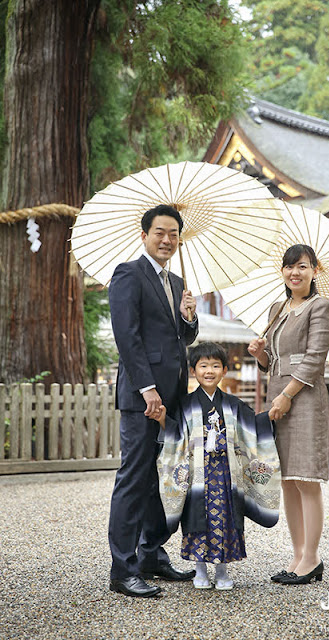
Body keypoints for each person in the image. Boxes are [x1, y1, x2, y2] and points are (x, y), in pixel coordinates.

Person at [108, 204, 199, 598]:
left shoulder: (177, 282)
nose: (167, 240)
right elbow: (127, 337)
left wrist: (189, 318)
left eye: (174, 234)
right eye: (160, 232)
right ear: (144, 234)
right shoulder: (128, 274)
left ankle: (150, 554)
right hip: (142, 396)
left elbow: (183, 340)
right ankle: (122, 569)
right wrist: (147, 390)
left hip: (176, 394)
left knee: (164, 481)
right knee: (134, 478)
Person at [156, 342, 281, 590]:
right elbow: (177, 435)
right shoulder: (186, 403)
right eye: (203, 366)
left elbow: (252, 428)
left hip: (225, 473)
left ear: (224, 370)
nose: (209, 371)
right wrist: (163, 420)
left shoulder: (233, 404)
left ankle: (222, 571)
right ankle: (200, 570)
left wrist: (268, 417)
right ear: (193, 371)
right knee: (196, 518)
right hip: (196, 475)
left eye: (215, 366)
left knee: (225, 518)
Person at [248, 244, 329, 585]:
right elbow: (274, 361)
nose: (294, 273)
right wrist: (260, 355)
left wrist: (285, 396)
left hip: (305, 399)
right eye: (288, 267)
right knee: (286, 478)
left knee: (306, 478)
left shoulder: (321, 306)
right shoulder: (277, 307)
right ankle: (297, 554)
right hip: (278, 399)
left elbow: (314, 359)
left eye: (301, 266)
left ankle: (312, 558)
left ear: (315, 270)